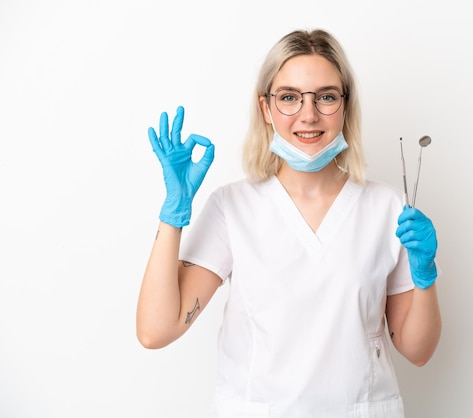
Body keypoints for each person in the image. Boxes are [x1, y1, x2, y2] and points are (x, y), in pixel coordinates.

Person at [136, 28, 441, 418]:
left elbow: (418, 351)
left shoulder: (387, 208)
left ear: (345, 106)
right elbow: (155, 331)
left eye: (326, 97)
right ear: (265, 108)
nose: (309, 115)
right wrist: (172, 215)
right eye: (290, 98)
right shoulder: (233, 207)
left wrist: (425, 277)